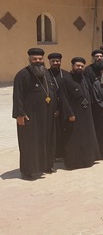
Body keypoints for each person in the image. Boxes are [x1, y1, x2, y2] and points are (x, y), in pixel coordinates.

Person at [13, 48, 58, 179]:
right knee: (30, 143)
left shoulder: (46, 73)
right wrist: (19, 114)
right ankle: (28, 171)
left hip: (47, 114)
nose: (38, 61)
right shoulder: (22, 75)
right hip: (30, 116)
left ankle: (47, 165)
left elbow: (52, 92)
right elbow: (17, 96)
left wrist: (56, 108)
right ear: (30, 60)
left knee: (48, 140)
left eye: (40, 59)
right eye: (35, 59)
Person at [59, 57, 100, 170]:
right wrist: (69, 114)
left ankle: (87, 160)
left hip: (86, 113)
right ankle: (74, 163)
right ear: (72, 66)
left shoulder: (84, 78)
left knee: (87, 137)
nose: (80, 68)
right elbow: (63, 98)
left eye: (82, 66)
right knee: (74, 138)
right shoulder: (65, 80)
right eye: (78, 66)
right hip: (74, 114)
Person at [47, 52, 70, 160]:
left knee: (65, 130)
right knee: (54, 132)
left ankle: (65, 153)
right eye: (53, 61)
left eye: (57, 61)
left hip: (65, 107)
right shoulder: (46, 75)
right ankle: (55, 154)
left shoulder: (66, 74)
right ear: (49, 62)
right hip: (53, 108)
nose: (56, 63)